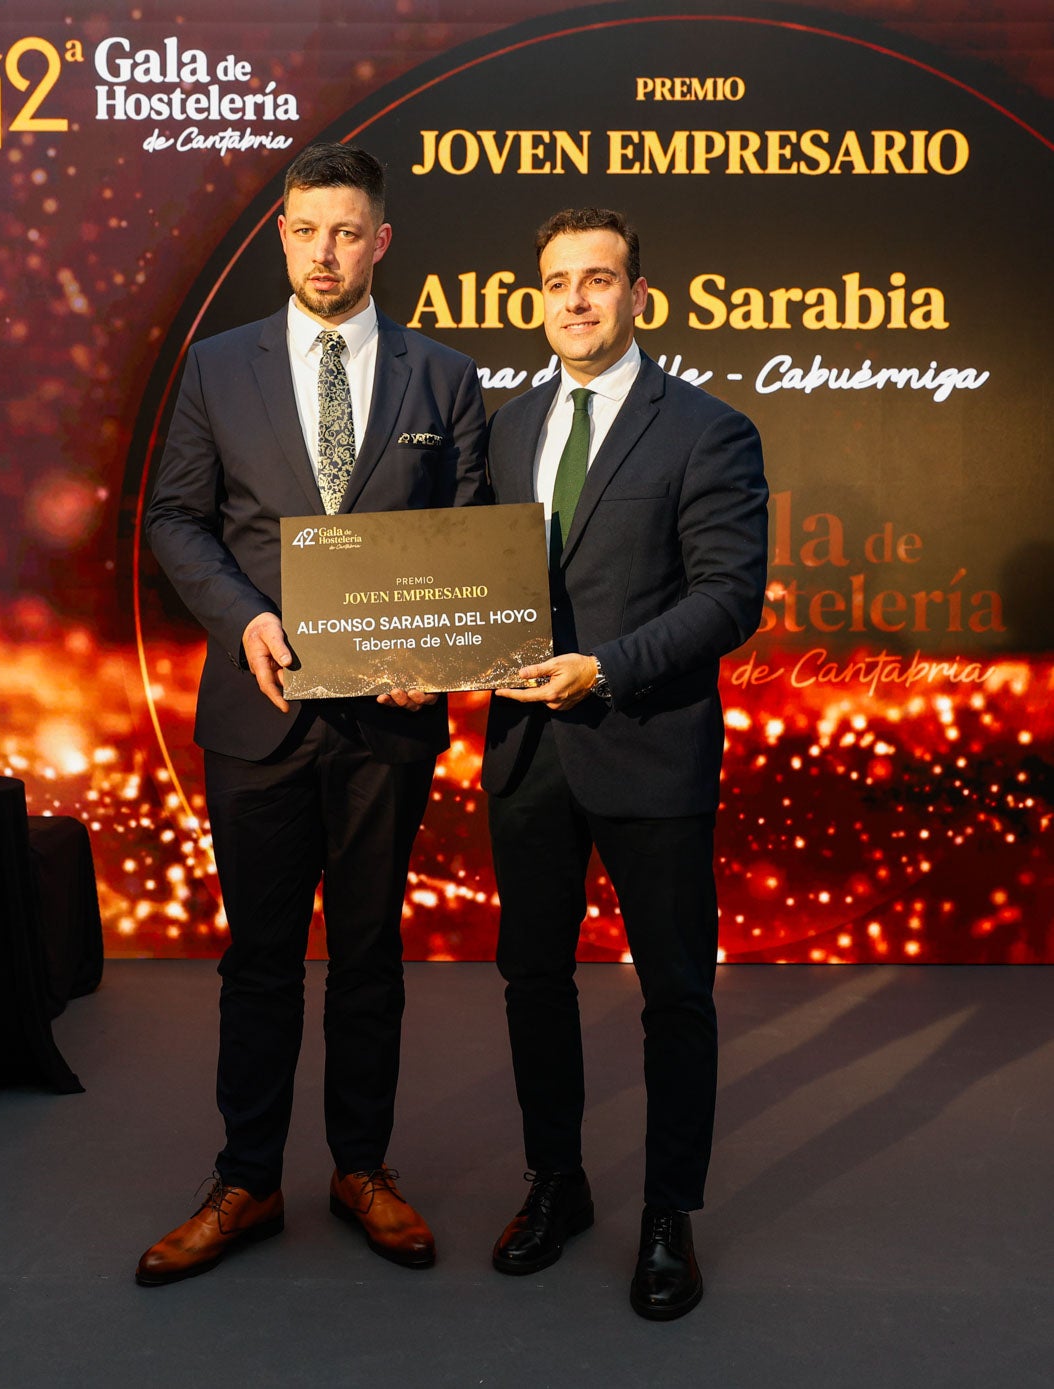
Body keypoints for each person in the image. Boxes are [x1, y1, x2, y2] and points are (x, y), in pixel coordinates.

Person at [138, 142, 487, 1285]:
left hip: (387, 723)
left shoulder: (445, 379)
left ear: (379, 241)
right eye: (304, 231)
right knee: (259, 963)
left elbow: (469, 544)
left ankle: (362, 1169)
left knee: (373, 957)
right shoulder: (216, 368)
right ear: (281, 236)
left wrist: (431, 651)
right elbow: (178, 520)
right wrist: (240, 615)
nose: (324, 252)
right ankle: (243, 1179)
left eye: (346, 231)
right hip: (259, 710)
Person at [481, 207, 767, 1320]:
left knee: (675, 996)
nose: (576, 301)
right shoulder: (506, 430)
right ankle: (557, 1183)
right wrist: (413, 653)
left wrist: (603, 666)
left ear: (638, 295)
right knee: (532, 984)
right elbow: (468, 586)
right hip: (525, 753)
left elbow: (726, 598)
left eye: (597, 280)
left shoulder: (706, 429)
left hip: (648, 747)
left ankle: (667, 1214)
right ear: (537, 299)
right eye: (556, 283)